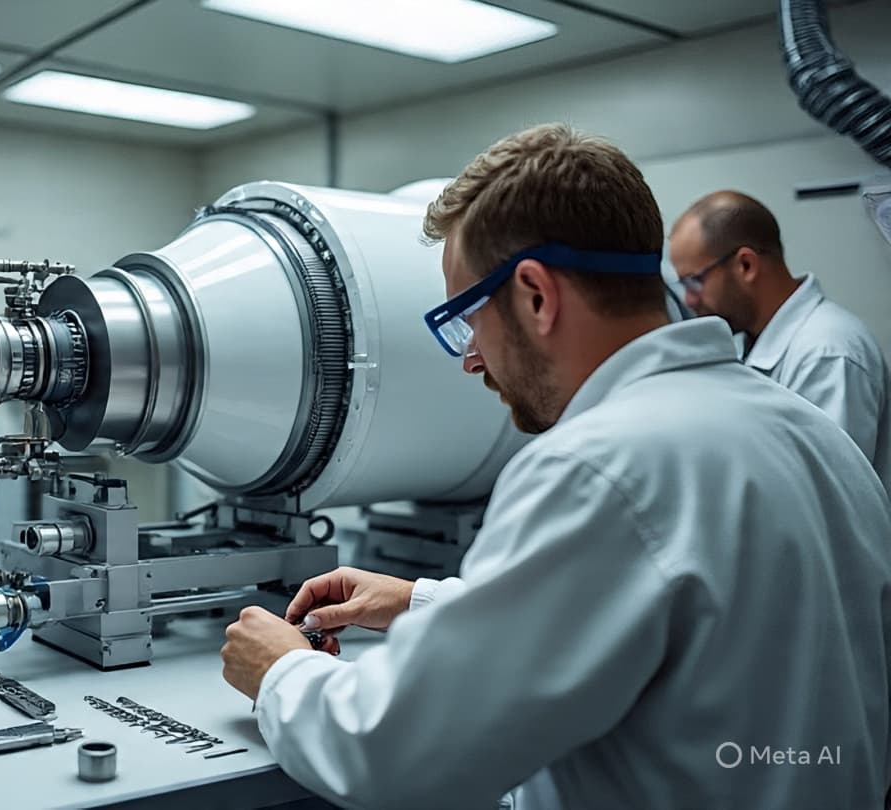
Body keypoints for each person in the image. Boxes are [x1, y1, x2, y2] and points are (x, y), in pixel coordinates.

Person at [220, 124, 891, 809]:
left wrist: (281, 672)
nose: (470, 358)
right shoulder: (815, 437)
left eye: (466, 319)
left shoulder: (597, 469)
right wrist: (417, 601)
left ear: (536, 295)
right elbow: (683, 616)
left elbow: (391, 750)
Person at [668, 190, 889, 489]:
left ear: (746, 265)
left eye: (695, 281)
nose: (690, 300)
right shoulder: (755, 345)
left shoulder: (826, 352)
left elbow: (824, 496)